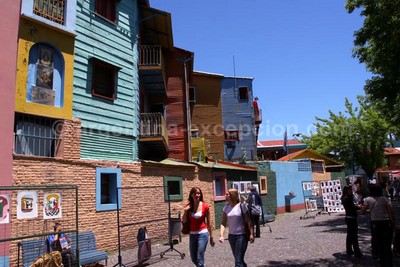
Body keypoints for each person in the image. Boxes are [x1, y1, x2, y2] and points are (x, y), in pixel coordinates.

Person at [360, 184, 396, 266]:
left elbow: (362, 212)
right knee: (387, 244)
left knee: (379, 244)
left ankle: (382, 262)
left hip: (375, 223)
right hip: (386, 222)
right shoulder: (385, 199)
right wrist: (393, 223)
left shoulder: (368, 199)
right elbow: (390, 213)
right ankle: (389, 263)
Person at [219, 188, 254, 267]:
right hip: (231, 236)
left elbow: (249, 221)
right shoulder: (226, 208)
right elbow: (223, 223)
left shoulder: (242, 206)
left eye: (227, 194)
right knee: (239, 259)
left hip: (241, 236)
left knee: (238, 262)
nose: (225, 196)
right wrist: (221, 235)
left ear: (233, 195)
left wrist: (251, 233)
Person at [182, 187, 215, 267]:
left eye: (199, 193)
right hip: (192, 235)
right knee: (193, 258)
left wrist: (211, 237)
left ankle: (201, 265)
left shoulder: (205, 206)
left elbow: (209, 223)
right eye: (195, 193)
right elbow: (184, 221)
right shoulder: (188, 207)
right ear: (192, 195)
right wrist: (186, 211)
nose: (197, 195)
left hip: (203, 234)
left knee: (200, 257)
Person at [341, 185, 363, 258]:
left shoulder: (346, 198)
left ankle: (349, 250)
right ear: (347, 191)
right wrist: (358, 207)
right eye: (350, 190)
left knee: (350, 235)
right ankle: (357, 252)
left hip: (350, 217)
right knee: (354, 236)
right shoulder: (346, 198)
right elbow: (351, 208)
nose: (351, 192)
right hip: (351, 218)